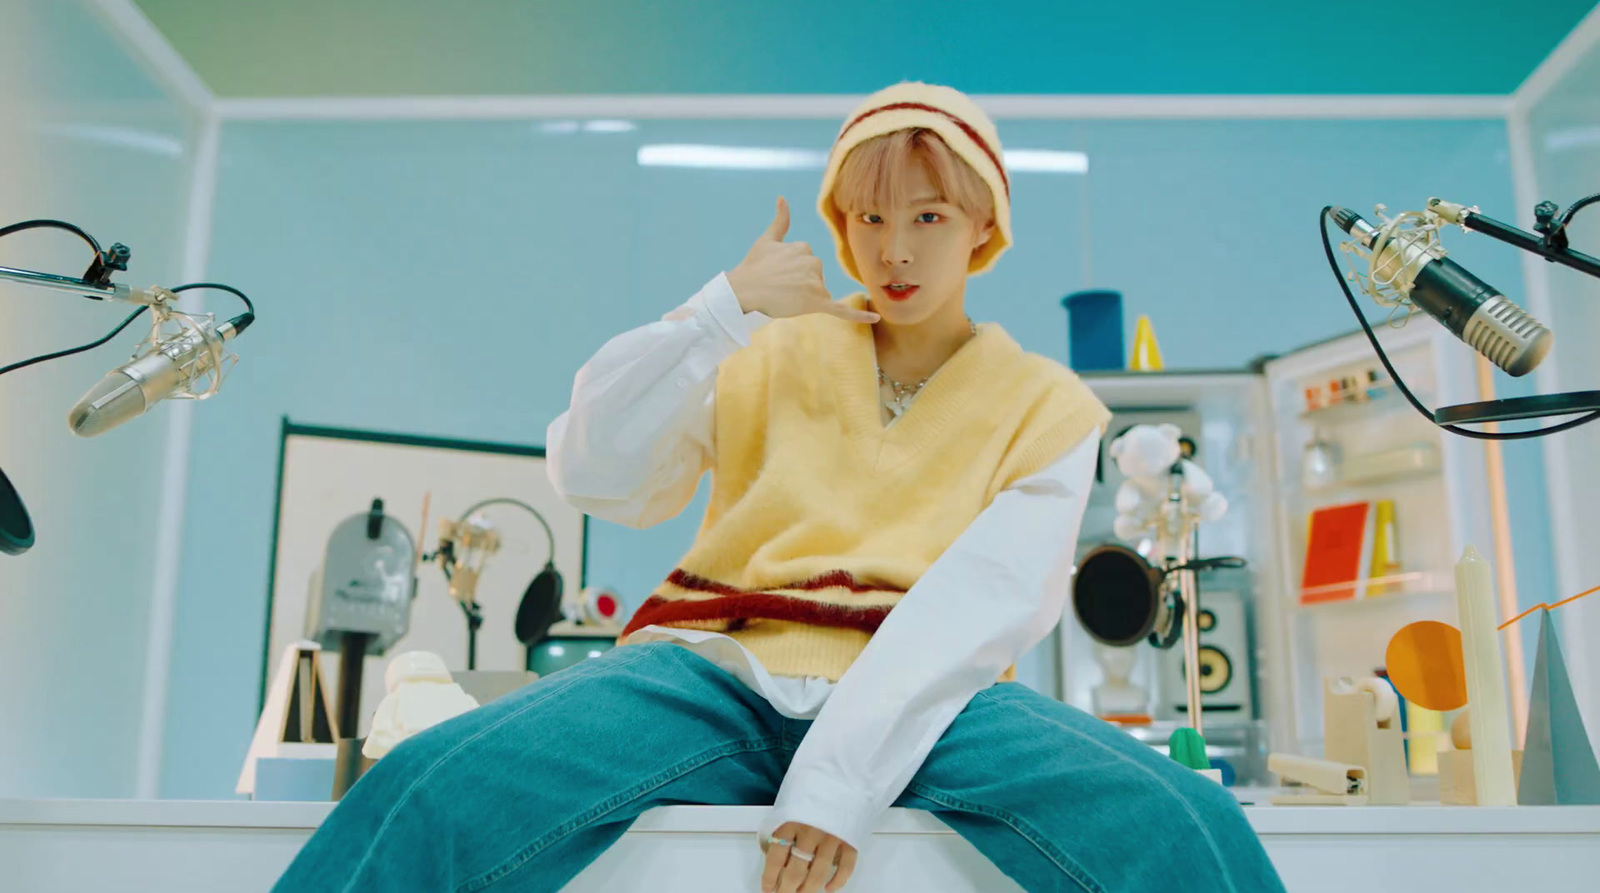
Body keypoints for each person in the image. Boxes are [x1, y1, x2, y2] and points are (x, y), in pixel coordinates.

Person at [273, 81, 1284, 893]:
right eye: (871, 214)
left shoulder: (1042, 403)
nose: (895, 247)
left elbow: (981, 605)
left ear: (982, 226)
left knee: (1186, 823)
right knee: (430, 783)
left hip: (934, 700)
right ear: (840, 223)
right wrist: (722, 310)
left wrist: (837, 784)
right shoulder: (766, 347)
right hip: (714, 672)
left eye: (929, 215)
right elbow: (595, 469)